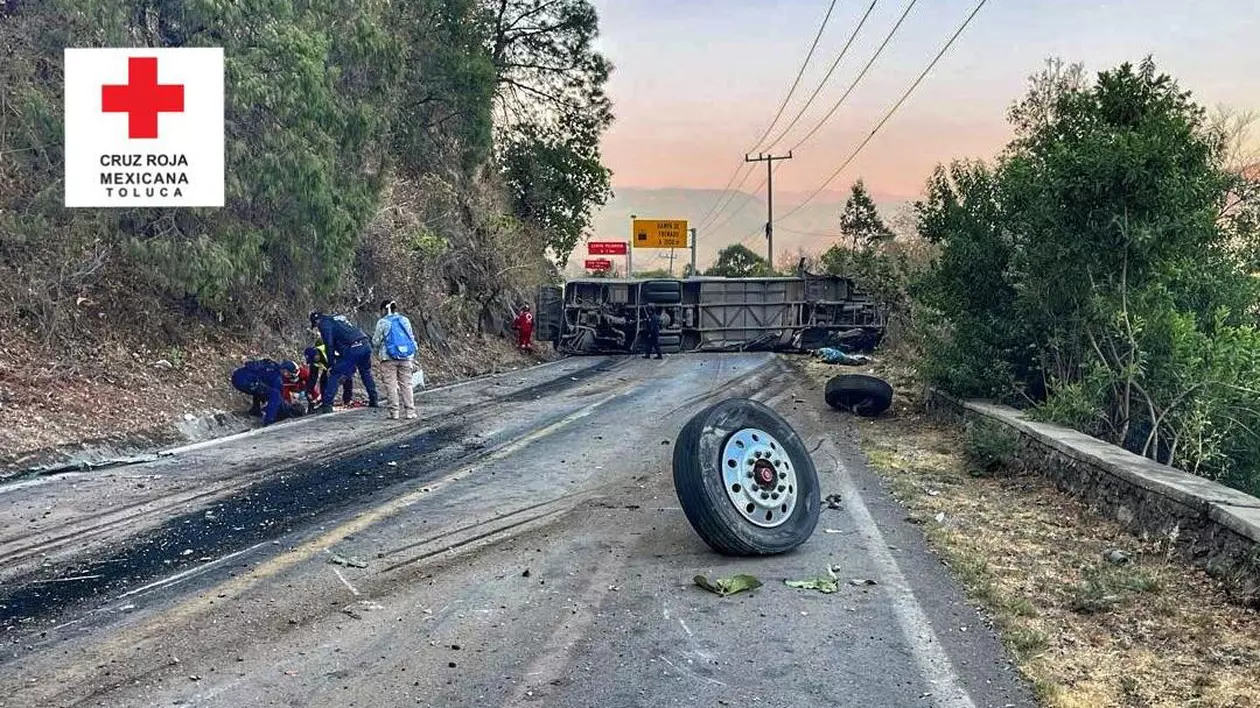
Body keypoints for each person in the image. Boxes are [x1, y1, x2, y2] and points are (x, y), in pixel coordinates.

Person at [309, 311, 380, 414]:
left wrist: (331, 364)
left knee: (335, 373)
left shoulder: (324, 324)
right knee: (365, 372)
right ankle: (374, 399)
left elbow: (329, 345)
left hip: (353, 348)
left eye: (316, 326)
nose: (318, 329)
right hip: (365, 344)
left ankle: (327, 405)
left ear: (317, 321)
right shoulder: (338, 319)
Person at [372, 299, 419, 420]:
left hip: (388, 358)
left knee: (391, 385)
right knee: (407, 384)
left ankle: (395, 412)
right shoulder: (404, 320)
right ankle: (410, 411)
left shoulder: (382, 322)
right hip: (406, 356)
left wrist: (376, 351)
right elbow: (411, 337)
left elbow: (376, 341)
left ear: (383, 310)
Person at [231, 358, 304, 426]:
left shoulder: (272, 367)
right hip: (246, 381)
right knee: (275, 394)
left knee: (262, 389)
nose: (290, 377)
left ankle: (255, 410)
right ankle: (269, 420)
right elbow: (276, 397)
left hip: (238, 376)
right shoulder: (277, 377)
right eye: (291, 375)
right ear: (285, 371)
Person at [303, 343, 353, 408]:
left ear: (317, 355)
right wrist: (308, 391)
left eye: (313, 360)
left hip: (343, 362)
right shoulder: (314, 361)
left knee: (346, 379)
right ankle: (325, 402)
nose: (313, 362)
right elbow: (312, 377)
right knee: (323, 380)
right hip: (329, 367)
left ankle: (347, 400)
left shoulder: (329, 350)